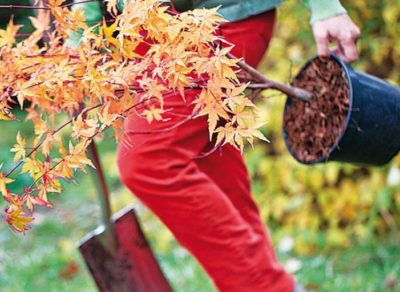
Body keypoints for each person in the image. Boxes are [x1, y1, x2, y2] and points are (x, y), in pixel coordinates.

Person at [74, 0, 360, 291]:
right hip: (149, 31)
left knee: (148, 160)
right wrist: (79, 38)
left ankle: (269, 287)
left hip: (220, 19)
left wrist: (326, 6)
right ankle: (259, 280)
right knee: (210, 162)